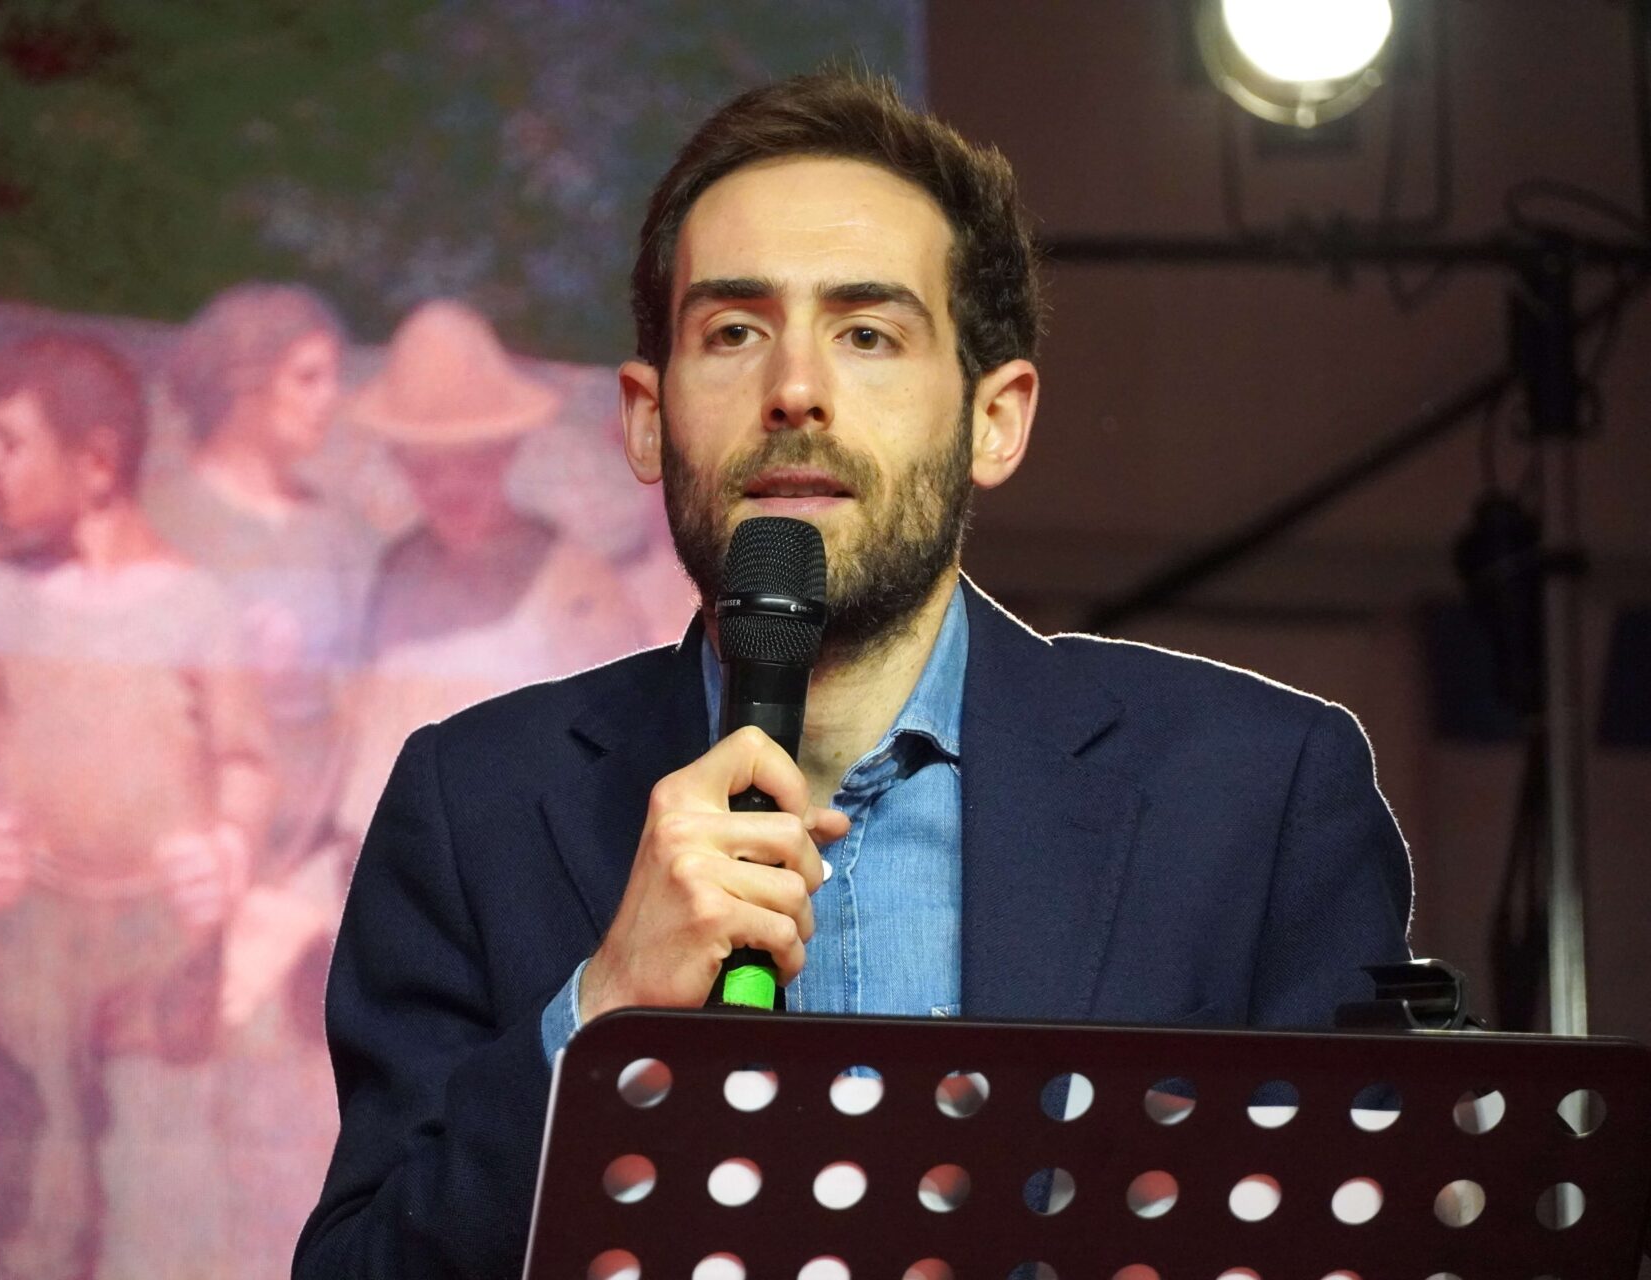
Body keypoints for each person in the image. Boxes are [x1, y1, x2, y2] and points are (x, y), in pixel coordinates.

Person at [294, 71, 1413, 1280]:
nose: (796, 390)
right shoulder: (473, 807)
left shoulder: (1256, 795)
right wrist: (601, 1013)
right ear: (645, 418)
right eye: (734, 331)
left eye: (868, 333)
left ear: (995, 418)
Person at [0, 334, 272, 1280]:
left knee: (158, 1204)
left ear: (98, 464)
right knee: (32, 1205)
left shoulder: (197, 608)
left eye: (9, 442)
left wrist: (228, 847)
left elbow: (244, 761)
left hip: (163, 949)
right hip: (29, 944)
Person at [142, 283, 379, 1276]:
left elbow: (369, 702)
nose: (330, 399)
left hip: (306, 876)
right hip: (177, 874)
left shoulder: (342, 535)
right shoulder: (161, 516)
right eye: (307, 377)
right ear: (244, 382)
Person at [333, 298, 648, 831]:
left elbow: (620, 755)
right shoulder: (399, 567)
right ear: (398, 459)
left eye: (470, 460)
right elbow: (361, 731)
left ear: (506, 449)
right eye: (426, 464)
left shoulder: (569, 579)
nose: (449, 485)